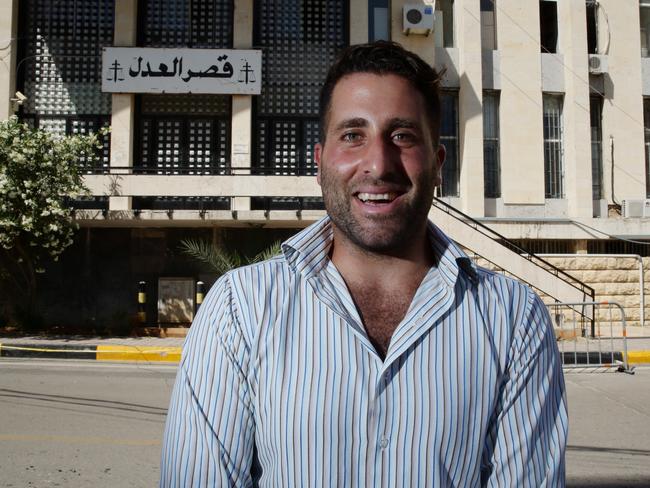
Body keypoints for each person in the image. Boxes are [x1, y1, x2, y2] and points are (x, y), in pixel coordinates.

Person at [160, 41, 567, 487]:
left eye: (403, 136)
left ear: (437, 163)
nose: (378, 163)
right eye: (353, 134)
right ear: (319, 163)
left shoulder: (512, 318)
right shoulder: (242, 307)